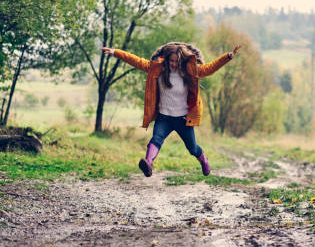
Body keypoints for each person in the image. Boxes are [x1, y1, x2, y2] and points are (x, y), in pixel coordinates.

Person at [101, 42, 241, 177]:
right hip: (164, 118)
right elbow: (136, 61)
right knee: (156, 139)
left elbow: (210, 68)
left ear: (181, 60)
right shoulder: (157, 68)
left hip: (183, 119)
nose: (174, 64)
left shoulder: (190, 70)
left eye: (176, 61)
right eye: (171, 61)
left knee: (192, 148)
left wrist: (228, 56)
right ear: (166, 60)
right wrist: (115, 52)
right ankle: (148, 164)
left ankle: (203, 160)